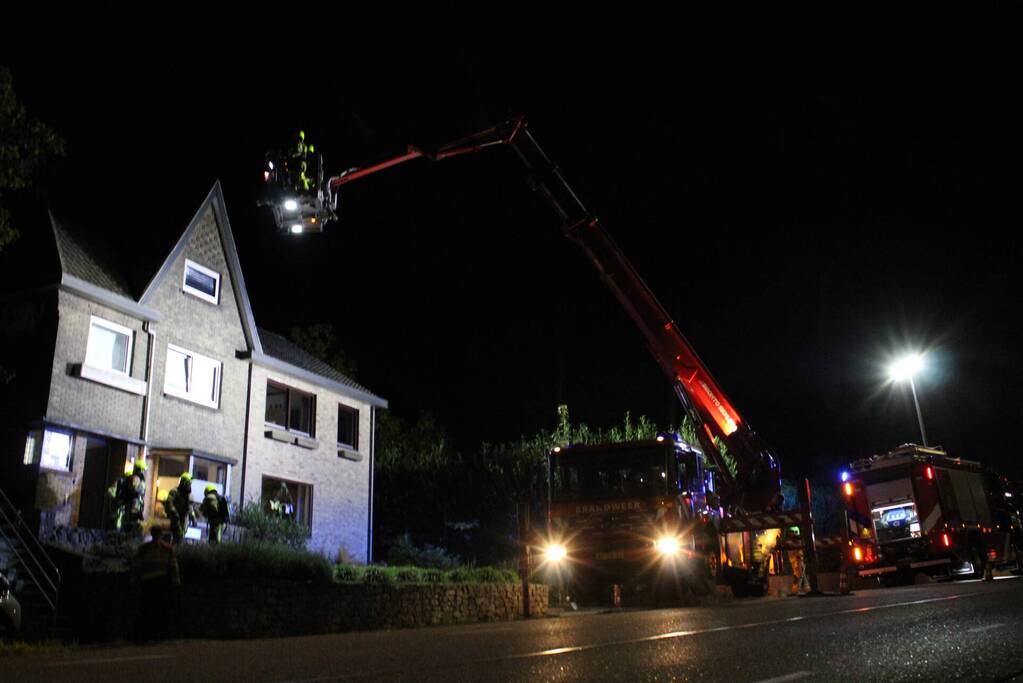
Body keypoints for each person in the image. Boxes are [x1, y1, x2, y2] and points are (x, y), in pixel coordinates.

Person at [131, 524, 180, 642]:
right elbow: (173, 567)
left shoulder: (143, 549)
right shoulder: (167, 549)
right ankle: (156, 635)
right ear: (161, 535)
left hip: (147, 582)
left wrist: (133, 580)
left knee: (147, 609)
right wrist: (176, 582)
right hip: (160, 583)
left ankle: (146, 635)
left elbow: (137, 566)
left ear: (151, 533)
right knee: (158, 610)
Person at [110, 458, 147, 536]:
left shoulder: (138, 480)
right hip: (130, 506)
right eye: (142, 470)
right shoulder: (134, 479)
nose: (143, 472)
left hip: (132, 506)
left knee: (129, 523)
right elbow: (134, 491)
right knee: (126, 523)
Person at [163, 472, 196, 545]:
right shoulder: (174, 491)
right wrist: (175, 514)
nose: (190, 485)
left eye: (190, 483)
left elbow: (191, 507)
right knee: (177, 536)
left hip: (185, 519)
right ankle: (173, 552)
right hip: (176, 518)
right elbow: (169, 503)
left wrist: (193, 517)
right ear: (184, 483)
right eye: (189, 483)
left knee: (181, 536)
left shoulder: (189, 494)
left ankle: (177, 551)